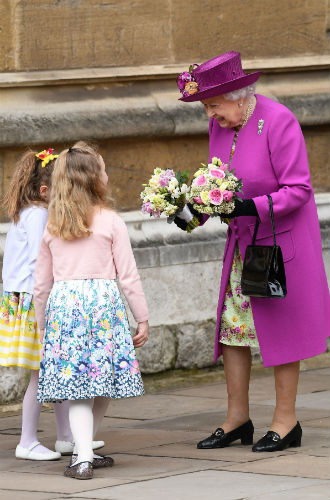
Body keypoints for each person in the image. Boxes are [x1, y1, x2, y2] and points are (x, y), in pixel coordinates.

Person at [175, 51, 330, 452]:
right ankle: (237, 419)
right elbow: (217, 185)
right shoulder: (220, 126)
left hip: (278, 248)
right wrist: (190, 211)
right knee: (233, 332)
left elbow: (299, 190)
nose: (210, 114)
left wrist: (250, 206)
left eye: (213, 105)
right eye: (206, 107)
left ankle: (286, 421)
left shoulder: (279, 120)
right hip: (242, 248)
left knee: (283, 333)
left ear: (238, 95)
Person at [34, 142, 149, 479]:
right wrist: (141, 315)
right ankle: (83, 453)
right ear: (94, 181)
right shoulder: (111, 221)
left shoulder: (54, 224)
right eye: (103, 169)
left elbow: (42, 284)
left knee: (80, 386)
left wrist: (42, 326)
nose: (107, 174)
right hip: (102, 307)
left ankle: (83, 450)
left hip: (66, 307)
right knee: (101, 380)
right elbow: (128, 275)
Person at [0, 148, 101, 461]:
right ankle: (27, 441)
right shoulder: (38, 215)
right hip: (34, 303)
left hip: (27, 300)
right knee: (41, 375)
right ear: (45, 191)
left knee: (53, 371)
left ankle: (66, 436)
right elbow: (38, 261)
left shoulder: (29, 212)